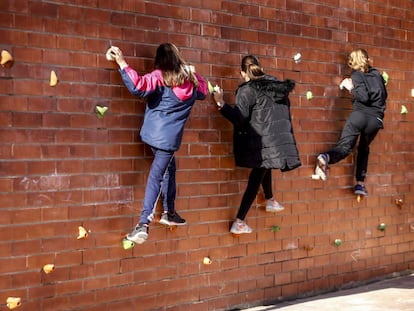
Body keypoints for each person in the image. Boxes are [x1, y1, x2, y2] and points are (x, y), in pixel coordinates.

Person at [107, 43, 207, 244]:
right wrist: (193, 73)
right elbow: (204, 92)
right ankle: (143, 224)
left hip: (151, 135)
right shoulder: (192, 82)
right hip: (168, 141)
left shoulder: (158, 77)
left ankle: (169, 211)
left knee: (169, 168)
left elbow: (137, 86)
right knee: (157, 177)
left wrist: (121, 62)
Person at [212, 55, 301, 235]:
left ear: (243, 73)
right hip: (276, 139)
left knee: (256, 177)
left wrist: (221, 103)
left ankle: (239, 221)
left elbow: (240, 118)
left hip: (261, 140)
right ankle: (269, 199)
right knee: (264, 166)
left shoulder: (247, 90)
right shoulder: (277, 86)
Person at [314, 48, 387, 197]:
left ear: (352, 62)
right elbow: (384, 95)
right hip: (375, 120)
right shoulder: (377, 75)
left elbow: (363, 96)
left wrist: (350, 87)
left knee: (346, 147)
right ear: (367, 59)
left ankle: (325, 157)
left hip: (359, 116)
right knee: (364, 148)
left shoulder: (356, 75)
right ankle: (360, 183)